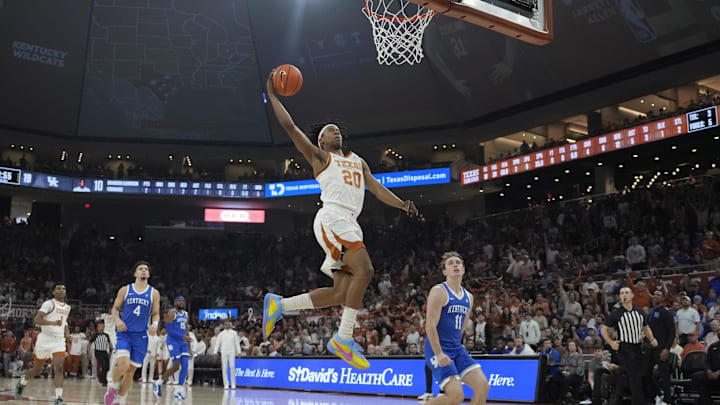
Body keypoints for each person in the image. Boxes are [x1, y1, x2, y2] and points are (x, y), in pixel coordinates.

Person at [262, 68, 418, 370]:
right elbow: (290, 126)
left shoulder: (358, 161)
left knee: (340, 292)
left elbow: (376, 189)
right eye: (328, 131)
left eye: (336, 129)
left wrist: (401, 204)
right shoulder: (321, 158)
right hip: (332, 217)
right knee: (367, 270)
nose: (335, 131)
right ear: (321, 142)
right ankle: (343, 339)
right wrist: (271, 95)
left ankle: (279, 305)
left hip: (348, 222)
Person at [424, 252, 490, 405]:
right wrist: (439, 353)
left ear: (463, 269)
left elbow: (461, 328)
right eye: (451, 263)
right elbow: (430, 324)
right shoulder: (439, 290)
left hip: (456, 348)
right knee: (456, 396)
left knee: (482, 387)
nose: (455, 265)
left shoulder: (469, 297)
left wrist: (458, 346)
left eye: (458, 263)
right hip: (437, 348)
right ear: (445, 271)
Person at [104, 261, 160, 405]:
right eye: (140, 269)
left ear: (148, 273)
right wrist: (118, 321)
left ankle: (120, 399)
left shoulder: (154, 293)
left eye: (146, 269)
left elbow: (156, 313)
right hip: (125, 333)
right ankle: (112, 387)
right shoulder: (125, 290)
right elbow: (115, 309)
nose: (143, 271)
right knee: (122, 365)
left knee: (130, 372)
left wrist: (154, 324)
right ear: (135, 273)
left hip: (141, 336)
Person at [14, 283, 71, 405]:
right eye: (58, 289)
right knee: (37, 370)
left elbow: (64, 322)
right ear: (53, 292)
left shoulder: (67, 307)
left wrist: (67, 334)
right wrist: (53, 323)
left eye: (63, 289)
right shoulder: (49, 304)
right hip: (45, 339)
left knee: (59, 367)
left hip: (59, 340)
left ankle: (59, 397)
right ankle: (22, 382)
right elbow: (37, 320)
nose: (61, 291)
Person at [601, 287, 658, 405]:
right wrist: (611, 342)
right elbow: (604, 330)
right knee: (634, 376)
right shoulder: (616, 313)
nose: (624, 295)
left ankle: (653, 396)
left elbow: (645, 327)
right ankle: (641, 401)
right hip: (625, 348)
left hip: (638, 347)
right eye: (621, 293)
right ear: (619, 297)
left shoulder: (640, 311)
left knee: (643, 374)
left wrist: (652, 338)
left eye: (626, 293)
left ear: (632, 295)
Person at [153, 297, 190, 401]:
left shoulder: (186, 314)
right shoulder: (171, 313)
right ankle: (158, 382)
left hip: (183, 342)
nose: (181, 303)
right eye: (179, 301)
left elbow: (186, 330)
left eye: (183, 301)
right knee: (176, 366)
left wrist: (190, 348)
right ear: (175, 303)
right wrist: (182, 337)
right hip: (173, 341)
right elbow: (169, 330)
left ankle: (178, 391)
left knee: (185, 365)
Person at [644, 289, 675, 405]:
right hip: (649, 348)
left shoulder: (665, 312)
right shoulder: (650, 313)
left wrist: (667, 349)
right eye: (655, 294)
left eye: (659, 294)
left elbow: (672, 332)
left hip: (661, 348)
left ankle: (667, 400)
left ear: (663, 298)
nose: (656, 296)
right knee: (645, 373)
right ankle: (657, 394)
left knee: (664, 374)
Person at [212, 320, 241, 389]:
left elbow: (236, 343)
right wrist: (215, 352)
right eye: (226, 324)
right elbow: (217, 344)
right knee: (224, 367)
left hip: (232, 351)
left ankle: (233, 383)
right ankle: (226, 384)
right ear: (224, 325)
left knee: (232, 367)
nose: (227, 325)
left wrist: (239, 352)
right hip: (224, 351)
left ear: (231, 325)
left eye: (229, 324)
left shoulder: (234, 333)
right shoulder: (221, 334)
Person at [690, 340, 720, 405]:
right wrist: (708, 371)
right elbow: (707, 362)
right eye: (718, 331)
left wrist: (718, 373)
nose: (719, 332)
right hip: (712, 372)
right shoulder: (713, 346)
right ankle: (707, 402)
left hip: (718, 373)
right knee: (697, 376)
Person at [90, 321, 112, 386]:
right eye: (99, 327)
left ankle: (101, 377)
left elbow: (109, 343)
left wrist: (112, 350)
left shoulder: (106, 335)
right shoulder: (95, 336)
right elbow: (89, 344)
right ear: (97, 328)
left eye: (102, 327)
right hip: (98, 352)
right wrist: (90, 353)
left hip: (105, 352)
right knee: (103, 366)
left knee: (107, 367)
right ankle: (103, 380)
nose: (101, 328)